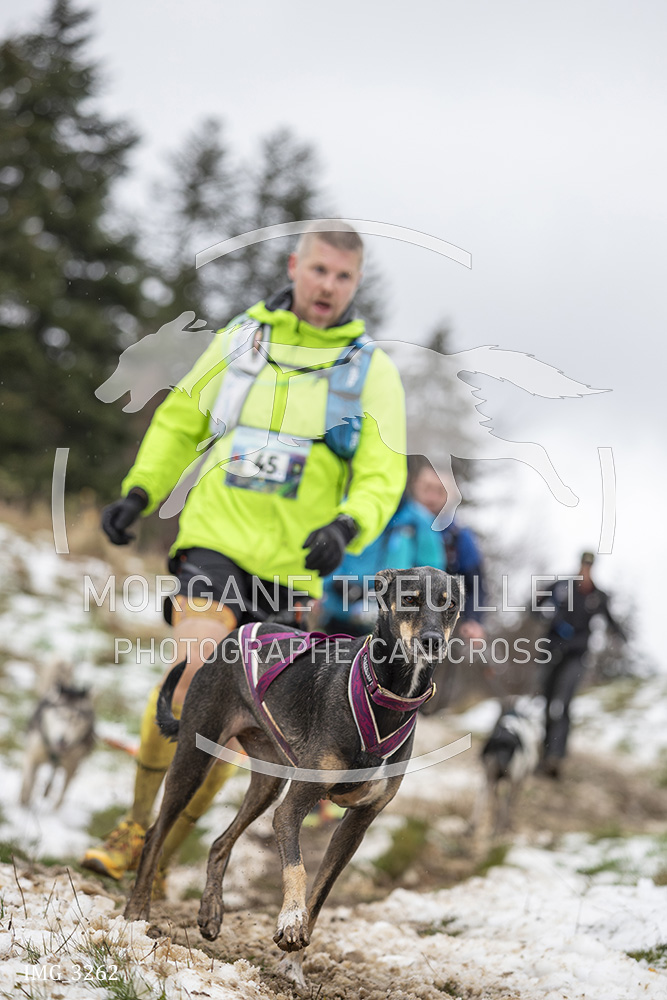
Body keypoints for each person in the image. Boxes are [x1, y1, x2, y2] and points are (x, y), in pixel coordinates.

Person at [81, 224, 407, 886]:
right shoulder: (242, 339)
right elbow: (181, 420)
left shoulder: (369, 371)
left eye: (342, 276)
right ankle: (136, 827)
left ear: (355, 283)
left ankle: (158, 858)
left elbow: (383, 469)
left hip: (294, 567)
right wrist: (140, 491)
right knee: (194, 674)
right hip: (216, 538)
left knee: (239, 726)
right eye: (318, 270)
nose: (327, 286)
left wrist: (347, 525)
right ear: (294, 266)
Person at [536, 551, 627, 778]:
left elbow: (609, 619)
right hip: (552, 651)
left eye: (589, 566)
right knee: (547, 702)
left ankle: (556, 757)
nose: (585, 570)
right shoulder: (562, 587)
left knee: (563, 703)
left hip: (577, 656)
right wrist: (546, 615)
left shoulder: (597, 596)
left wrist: (621, 635)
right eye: (583, 565)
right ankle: (544, 753)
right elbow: (536, 605)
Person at [319, 490, 445, 636]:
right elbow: (326, 558)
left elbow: (433, 575)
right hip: (340, 616)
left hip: (396, 624)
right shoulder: (346, 511)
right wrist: (341, 593)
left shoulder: (418, 520)